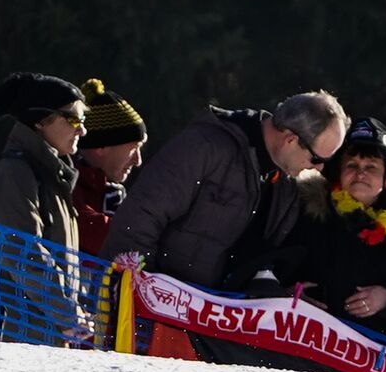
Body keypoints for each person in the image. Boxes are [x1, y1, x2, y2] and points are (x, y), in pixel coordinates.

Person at [101, 91, 347, 289]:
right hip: (154, 310)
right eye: (316, 158)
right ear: (290, 139)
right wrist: (143, 290)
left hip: (210, 327)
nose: (318, 168)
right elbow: (139, 218)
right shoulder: (207, 146)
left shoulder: (287, 184)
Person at [289, 117, 386, 343]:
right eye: (352, 166)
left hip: (367, 364)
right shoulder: (305, 212)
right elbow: (268, 270)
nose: (360, 174)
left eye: (370, 167)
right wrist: (287, 294)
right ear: (338, 172)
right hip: (300, 345)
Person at [0, 72, 91, 344]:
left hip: (47, 341)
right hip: (13, 345)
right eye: (74, 119)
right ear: (40, 121)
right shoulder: (11, 174)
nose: (82, 130)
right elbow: (22, 253)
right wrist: (67, 313)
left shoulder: (53, 178)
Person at [71, 78, 147, 257]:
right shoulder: (67, 184)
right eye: (133, 148)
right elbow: (104, 236)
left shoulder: (111, 193)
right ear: (102, 147)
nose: (138, 160)